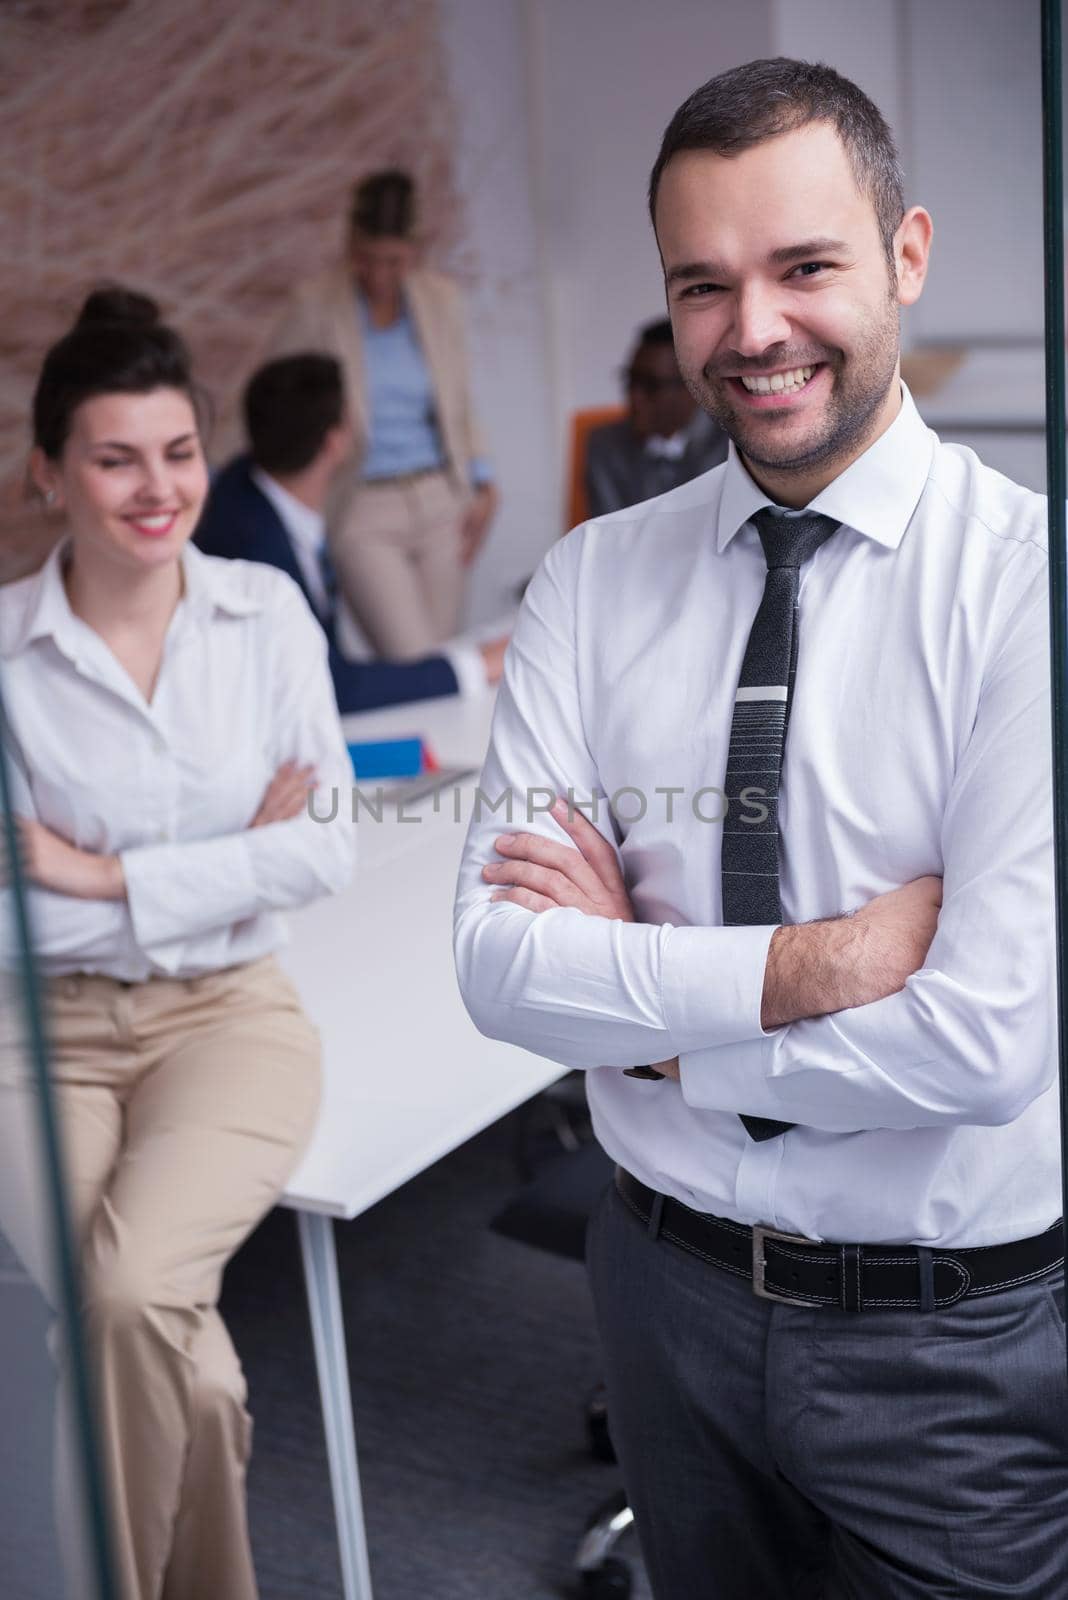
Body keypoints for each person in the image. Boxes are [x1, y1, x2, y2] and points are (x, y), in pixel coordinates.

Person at [454, 57, 1065, 1599]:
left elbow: (986, 1043)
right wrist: (816, 966)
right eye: (703, 287)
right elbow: (499, 967)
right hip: (663, 1298)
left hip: (952, 1343)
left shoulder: (1023, 585)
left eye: (805, 267)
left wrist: (648, 1016)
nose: (755, 331)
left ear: (907, 255)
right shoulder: (593, 579)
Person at [0, 287, 354, 1600]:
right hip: (35, 1035)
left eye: (179, 452)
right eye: (114, 457)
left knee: (135, 1291)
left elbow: (321, 848)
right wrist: (224, 865)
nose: (157, 489)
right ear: (50, 472)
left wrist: (92, 868)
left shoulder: (263, 616)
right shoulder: (6, 660)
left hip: (228, 1020)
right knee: (180, 1363)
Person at [267, 169, 498, 659]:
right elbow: (274, 398)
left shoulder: (440, 300)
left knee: (447, 660)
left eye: (393, 261)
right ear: (351, 246)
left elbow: (458, 402)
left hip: (440, 498)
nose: (378, 275)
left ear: (415, 250)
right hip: (362, 505)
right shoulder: (315, 306)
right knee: (411, 663)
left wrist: (484, 482)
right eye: (367, 259)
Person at [196, 353, 507, 711]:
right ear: (335, 441)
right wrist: (473, 666)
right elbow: (328, 682)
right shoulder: (253, 545)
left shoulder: (250, 490)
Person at [584, 317, 728, 517]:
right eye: (631, 380)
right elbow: (607, 535)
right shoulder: (607, 445)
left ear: (692, 388)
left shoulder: (731, 443)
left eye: (651, 385)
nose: (634, 396)